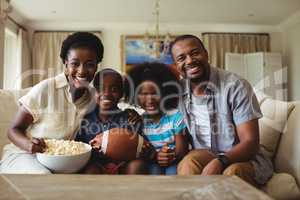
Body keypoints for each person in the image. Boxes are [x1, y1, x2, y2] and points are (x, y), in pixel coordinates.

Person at [171, 34, 273, 186]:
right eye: (181, 58)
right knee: (188, 163)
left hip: (243, 157)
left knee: (232, 173)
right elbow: (153, 109)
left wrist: (220, 161)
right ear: (176, 65)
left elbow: (250, 142)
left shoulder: (235, 86)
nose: (190, 61)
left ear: (206, 54)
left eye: (194, 53)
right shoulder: (178, 91)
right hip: (204, 154)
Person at [0, 32, 103, 174]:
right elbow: (13, 130)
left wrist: (130, 115)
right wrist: (28, 144)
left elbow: (109, 118)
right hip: (24, 155)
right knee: (44, 177)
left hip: (60, 160)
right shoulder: (46, 89)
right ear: (66, 65)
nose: (82, 70)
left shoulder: (92, 97)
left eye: (90, 64)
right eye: (75, 64)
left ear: (97, 67)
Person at [76, 68, 153, 174]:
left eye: (114, 89)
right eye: (100, 89)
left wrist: (146, 150)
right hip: (97, 165)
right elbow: (79, 147)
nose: (106, 93)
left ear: (121, 93)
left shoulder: (129, 118)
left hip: (123, 165)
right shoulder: (85, 119)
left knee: (137, 165)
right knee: (91, 170)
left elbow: (142, 145)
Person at [124, 62, 189, 175]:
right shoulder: (140, 121)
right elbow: (141, 150)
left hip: (175, 160)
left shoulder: (175, 117)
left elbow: (181, 151)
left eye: (155, 93)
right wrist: (155, 157)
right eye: (143, 94)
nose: (149, 99)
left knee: (172, 172)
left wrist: (168, 155)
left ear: (165, 93)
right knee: (153, 172)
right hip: (152, 161)